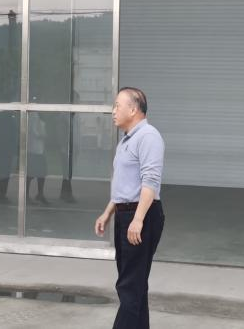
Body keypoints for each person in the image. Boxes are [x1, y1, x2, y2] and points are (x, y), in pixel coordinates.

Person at [94, 87, 164, 329]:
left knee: (129, 285)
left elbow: (150, 182)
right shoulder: (126, 140)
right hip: (126, 214)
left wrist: (138, 219)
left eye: (117, 105)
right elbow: (124, 186)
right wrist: (108, 212)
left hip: (141, 215)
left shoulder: (148, 137)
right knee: (135, 284)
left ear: (133, 110)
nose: (113, 111)